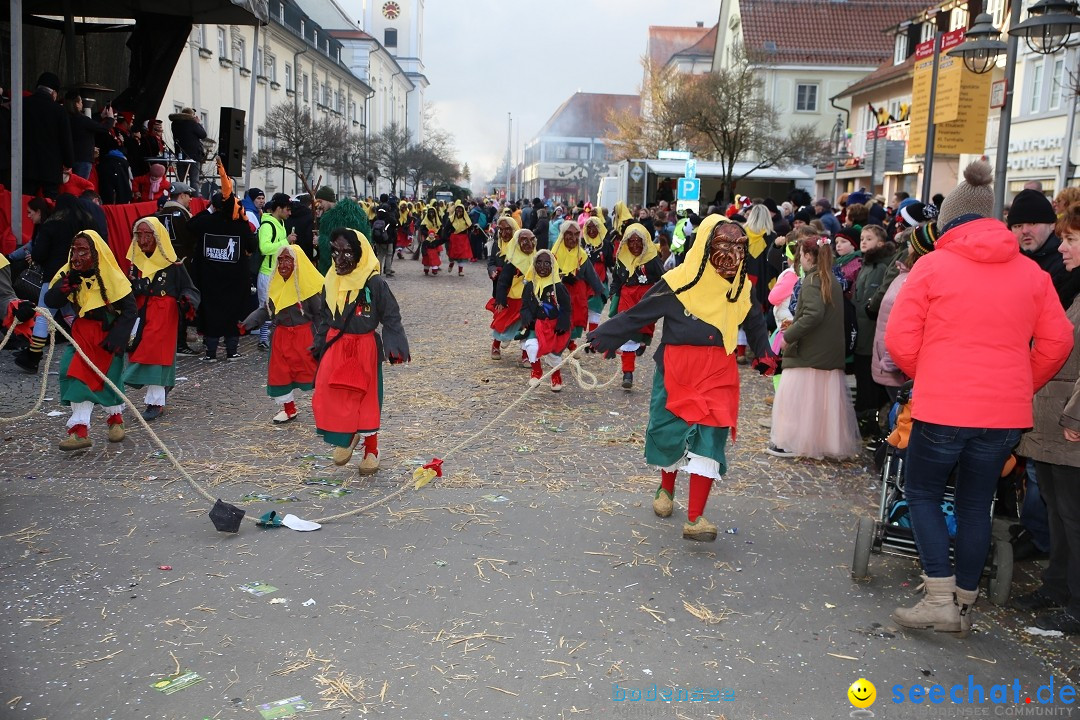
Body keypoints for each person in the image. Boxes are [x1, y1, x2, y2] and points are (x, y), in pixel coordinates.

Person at [885, 160, 1074, 637]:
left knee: (924, 493)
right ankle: (966, 602)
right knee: (975, 503)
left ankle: (939, 598)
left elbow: (901, 341)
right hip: (1003, 414)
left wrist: (931, 375)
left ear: (948, 222)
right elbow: (1058, 341)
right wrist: (1020, 384)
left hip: (944, 406)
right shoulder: (1031, 274)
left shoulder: (931, 267)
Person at [588, 215, 775, 542]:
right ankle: (666, 487)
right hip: (677, 368)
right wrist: (607, 335)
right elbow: (639, 314)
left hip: (719, 368)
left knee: (712, 435)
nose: (732, 254)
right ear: (705, 245)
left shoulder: (740, 288)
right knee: (669, 430)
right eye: (723, 246)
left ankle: (696, 517)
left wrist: (763, 352)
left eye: (739, 247)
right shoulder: (677, 281)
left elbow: (755, 319)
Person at [1010, 202, 1080, 635]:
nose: (1064, 248)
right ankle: (1057, 586)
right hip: (1055, 422)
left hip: (1068, 426)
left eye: (1071, 240)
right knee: (1058, 511)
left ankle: (1075, 600)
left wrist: (1076, 416)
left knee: (1072, 515)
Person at [312, 228, 409, 475]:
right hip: (337, 345)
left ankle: (371, 450)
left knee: (365, 399)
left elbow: (391, 315)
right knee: (334, 395)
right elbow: (325, 315)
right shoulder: (331, 279)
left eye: (347, 252)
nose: (339, 258)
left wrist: (395, 345)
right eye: (335, 251)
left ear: (360, 253)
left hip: (363, 347)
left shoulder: (374, 283)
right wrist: (320, 343)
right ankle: (347, 436)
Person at [768, 236, 862, 460]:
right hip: (827, 353)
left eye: (801, 255)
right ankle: (820, 442)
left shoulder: (812, 281)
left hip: (809, 352)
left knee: (797, 401)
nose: (800, 259)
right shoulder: (831, 279)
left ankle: (793, 442)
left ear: (809, 256)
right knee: (821, 403)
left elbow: (812, 315)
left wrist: (788, 336)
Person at [45, 231, 137, 450]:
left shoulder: (111, 276)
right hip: (82, 331)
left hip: (107, 333)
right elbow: (51, 300)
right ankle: (80, 431)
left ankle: (116, 420)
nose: (76, 256)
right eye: (74, 251)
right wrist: (65, 287)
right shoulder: (70, 273)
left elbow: (130, 309)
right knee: (73, 372)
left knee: (108, 377)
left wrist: (119, 336)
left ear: (95, 254)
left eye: (83, 251)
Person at [122, 217, 199, 421]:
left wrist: (187, 301)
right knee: (138, 350)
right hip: (141, 311)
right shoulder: (135, 263)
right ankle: (161, 385)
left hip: (163, 313)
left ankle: (155, 402)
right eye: (139, 235)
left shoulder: (172, 263)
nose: (143, 240)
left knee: (155, 354)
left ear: (158, 237)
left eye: (148, 235)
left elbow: (189, 288)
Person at [240, 245, 324, 424]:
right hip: (281, 337)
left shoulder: (307, 288)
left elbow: (319, 315)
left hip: (305, 337)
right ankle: (289, 409)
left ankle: (324, 409)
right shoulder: (275, 286)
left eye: (288, 260)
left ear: (297, 263)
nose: (283, 264)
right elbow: (267, 310)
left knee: (315, 373)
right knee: (281, 373)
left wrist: (322, 339)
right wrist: (248, 322)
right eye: (280, 260)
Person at [15, 194, 97, 373]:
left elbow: (39, 253)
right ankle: (90, 346)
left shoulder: (52, 224)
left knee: (44, 315)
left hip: (54, 276)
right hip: (81, 274)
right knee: (71, 314)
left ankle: (33, 356)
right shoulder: (89, 223)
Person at [187, 186, 256, 362]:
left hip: (210, 277)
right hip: (235, 277)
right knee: (233, 313)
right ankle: (231, 351)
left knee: (211, 313)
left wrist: (208, 211)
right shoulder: (240, 225)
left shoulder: (207, 221)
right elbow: (252, 246)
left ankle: (210, 353)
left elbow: (190, 226)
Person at [608, 223, 664, 390]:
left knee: (644, 329)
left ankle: (643, 341)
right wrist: (613, 292)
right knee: (628, 333)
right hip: (627, 297)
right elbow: (617, 279)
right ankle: (628, 372)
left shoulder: (653, 259)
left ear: (645, 241)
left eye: (638, 241)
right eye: (630, 241)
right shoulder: (622, 258)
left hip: (646, 298)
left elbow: (662, 279)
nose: (634, 245)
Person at [516, 249, 571, 391]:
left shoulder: (558, 287)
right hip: (537, 325)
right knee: (530, 345)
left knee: (554, 355)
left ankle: (556, 377)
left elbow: (566, 307)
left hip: (554, 327)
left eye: (547, 263)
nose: (542, 266)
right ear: (533, 265)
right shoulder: (530, 285)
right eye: (538, 262)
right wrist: (527, 319)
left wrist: (563, 323)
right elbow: (524, 306)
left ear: (553, 266)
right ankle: (536, 372)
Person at [550, 221, 605, 348]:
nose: (573, 238)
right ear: (563, 235)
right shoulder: (554, 253)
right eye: (569, 234)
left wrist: (600, 291)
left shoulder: (582, 255)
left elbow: (591, 274)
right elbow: (548, 273)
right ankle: (558, 343)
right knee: (559, 316)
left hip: (577, 292)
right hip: (559, 291)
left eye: (576, 234)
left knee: (577, 316)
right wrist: (563, 278)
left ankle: (570, 341)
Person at [256, 193, 296, 350]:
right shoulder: (268, 225)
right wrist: (286, 241)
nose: (289, 213)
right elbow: (264, 248)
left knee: (277, 308)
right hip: (268, 273)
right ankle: (263, 339)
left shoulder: (280, 223)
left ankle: (271, 338)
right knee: (267, 308)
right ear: (278, 209)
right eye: (287, 209)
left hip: (278, 273)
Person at [24, 72, 73, 199]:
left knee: (25, 202)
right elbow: (65, 139)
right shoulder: (59, 111)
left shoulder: (22, 104)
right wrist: (69, 162)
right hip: (51, 168)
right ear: (54, 93)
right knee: (50, 204)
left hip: (26, 166)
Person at [582, 215, 614, 334]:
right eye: (588, 228)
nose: (591, 231)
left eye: (594, 228)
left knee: (595, 309)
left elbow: (611, 263)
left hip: (600, 280)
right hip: (585, 281)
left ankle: (592, 338)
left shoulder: (606, 244)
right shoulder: (584, 243)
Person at [168, 107, 206, 188]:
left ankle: (178, 196)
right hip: (193, 155)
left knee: (180, 179)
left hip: (180, 155)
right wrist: (197, 123)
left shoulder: (175, 124)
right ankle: (194, 198)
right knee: (194, 180)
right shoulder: (192, 123)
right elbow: (203, 135)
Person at [442, 201, 473, 276]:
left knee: (462, 256)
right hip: (453, 239)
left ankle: (460, 271)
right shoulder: (451, 219)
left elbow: (470, 228)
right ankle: (451, 263)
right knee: (452, 254)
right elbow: (446, 229)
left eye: (460, 210)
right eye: (457, 210)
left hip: (463, 239)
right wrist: (445, 237)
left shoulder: (467, 220)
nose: (459, 212)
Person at [419, 204, 444, 275]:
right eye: (430, 212)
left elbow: (440, 228)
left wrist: (439, 235)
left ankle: (436, 264)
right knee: (427, 252)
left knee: (437, 252)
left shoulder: (437, 220)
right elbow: (422, 228)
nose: (431, 214)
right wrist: (428, 234)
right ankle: (427, 265)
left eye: (433, 212)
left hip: (436, 237)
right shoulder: (425, 220)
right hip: (427, 237)